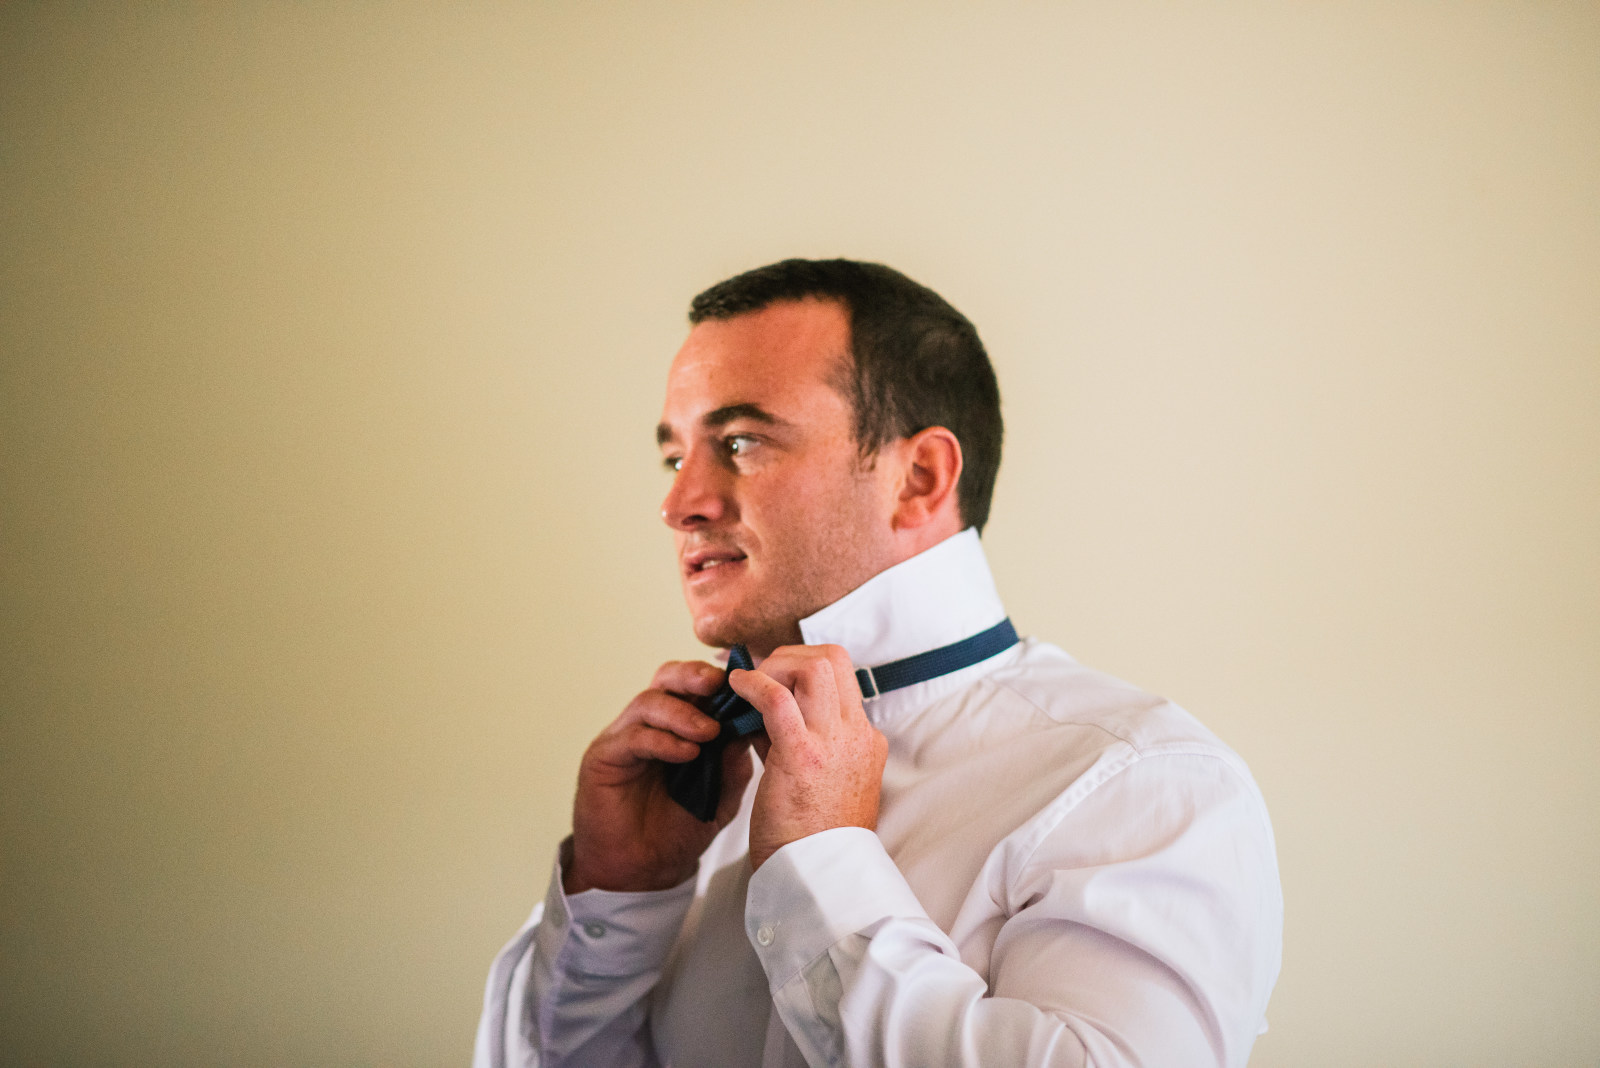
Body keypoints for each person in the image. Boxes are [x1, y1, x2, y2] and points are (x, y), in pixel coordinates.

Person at [474, 259, 1282, 1068]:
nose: (680, 504)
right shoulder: (693, 800)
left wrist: (821, 867)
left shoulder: (1144, 785)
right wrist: (621, 893)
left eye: (741, 442)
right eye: (674, 458)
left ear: (918, 478)